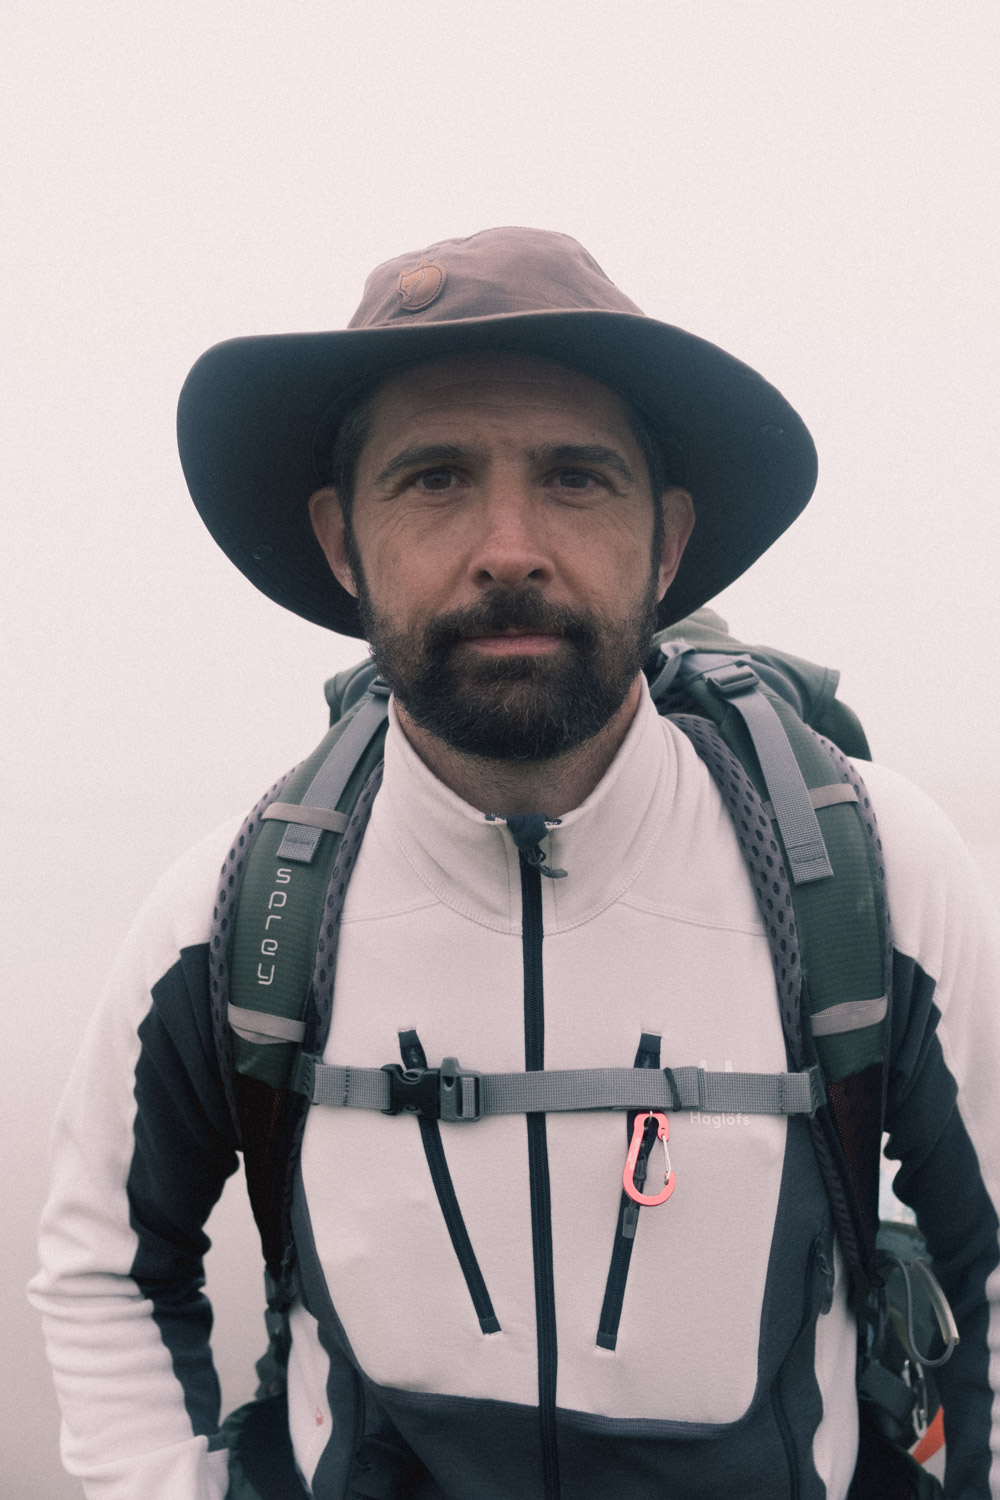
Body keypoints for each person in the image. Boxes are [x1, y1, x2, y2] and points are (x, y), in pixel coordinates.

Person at [30, 227, 1000, 1499]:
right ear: (341, 543)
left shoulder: (871, 868)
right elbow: (106, 1266)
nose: (507, 547)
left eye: (576, 477)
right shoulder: (238, 913)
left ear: (666, 542)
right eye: (432, 478)